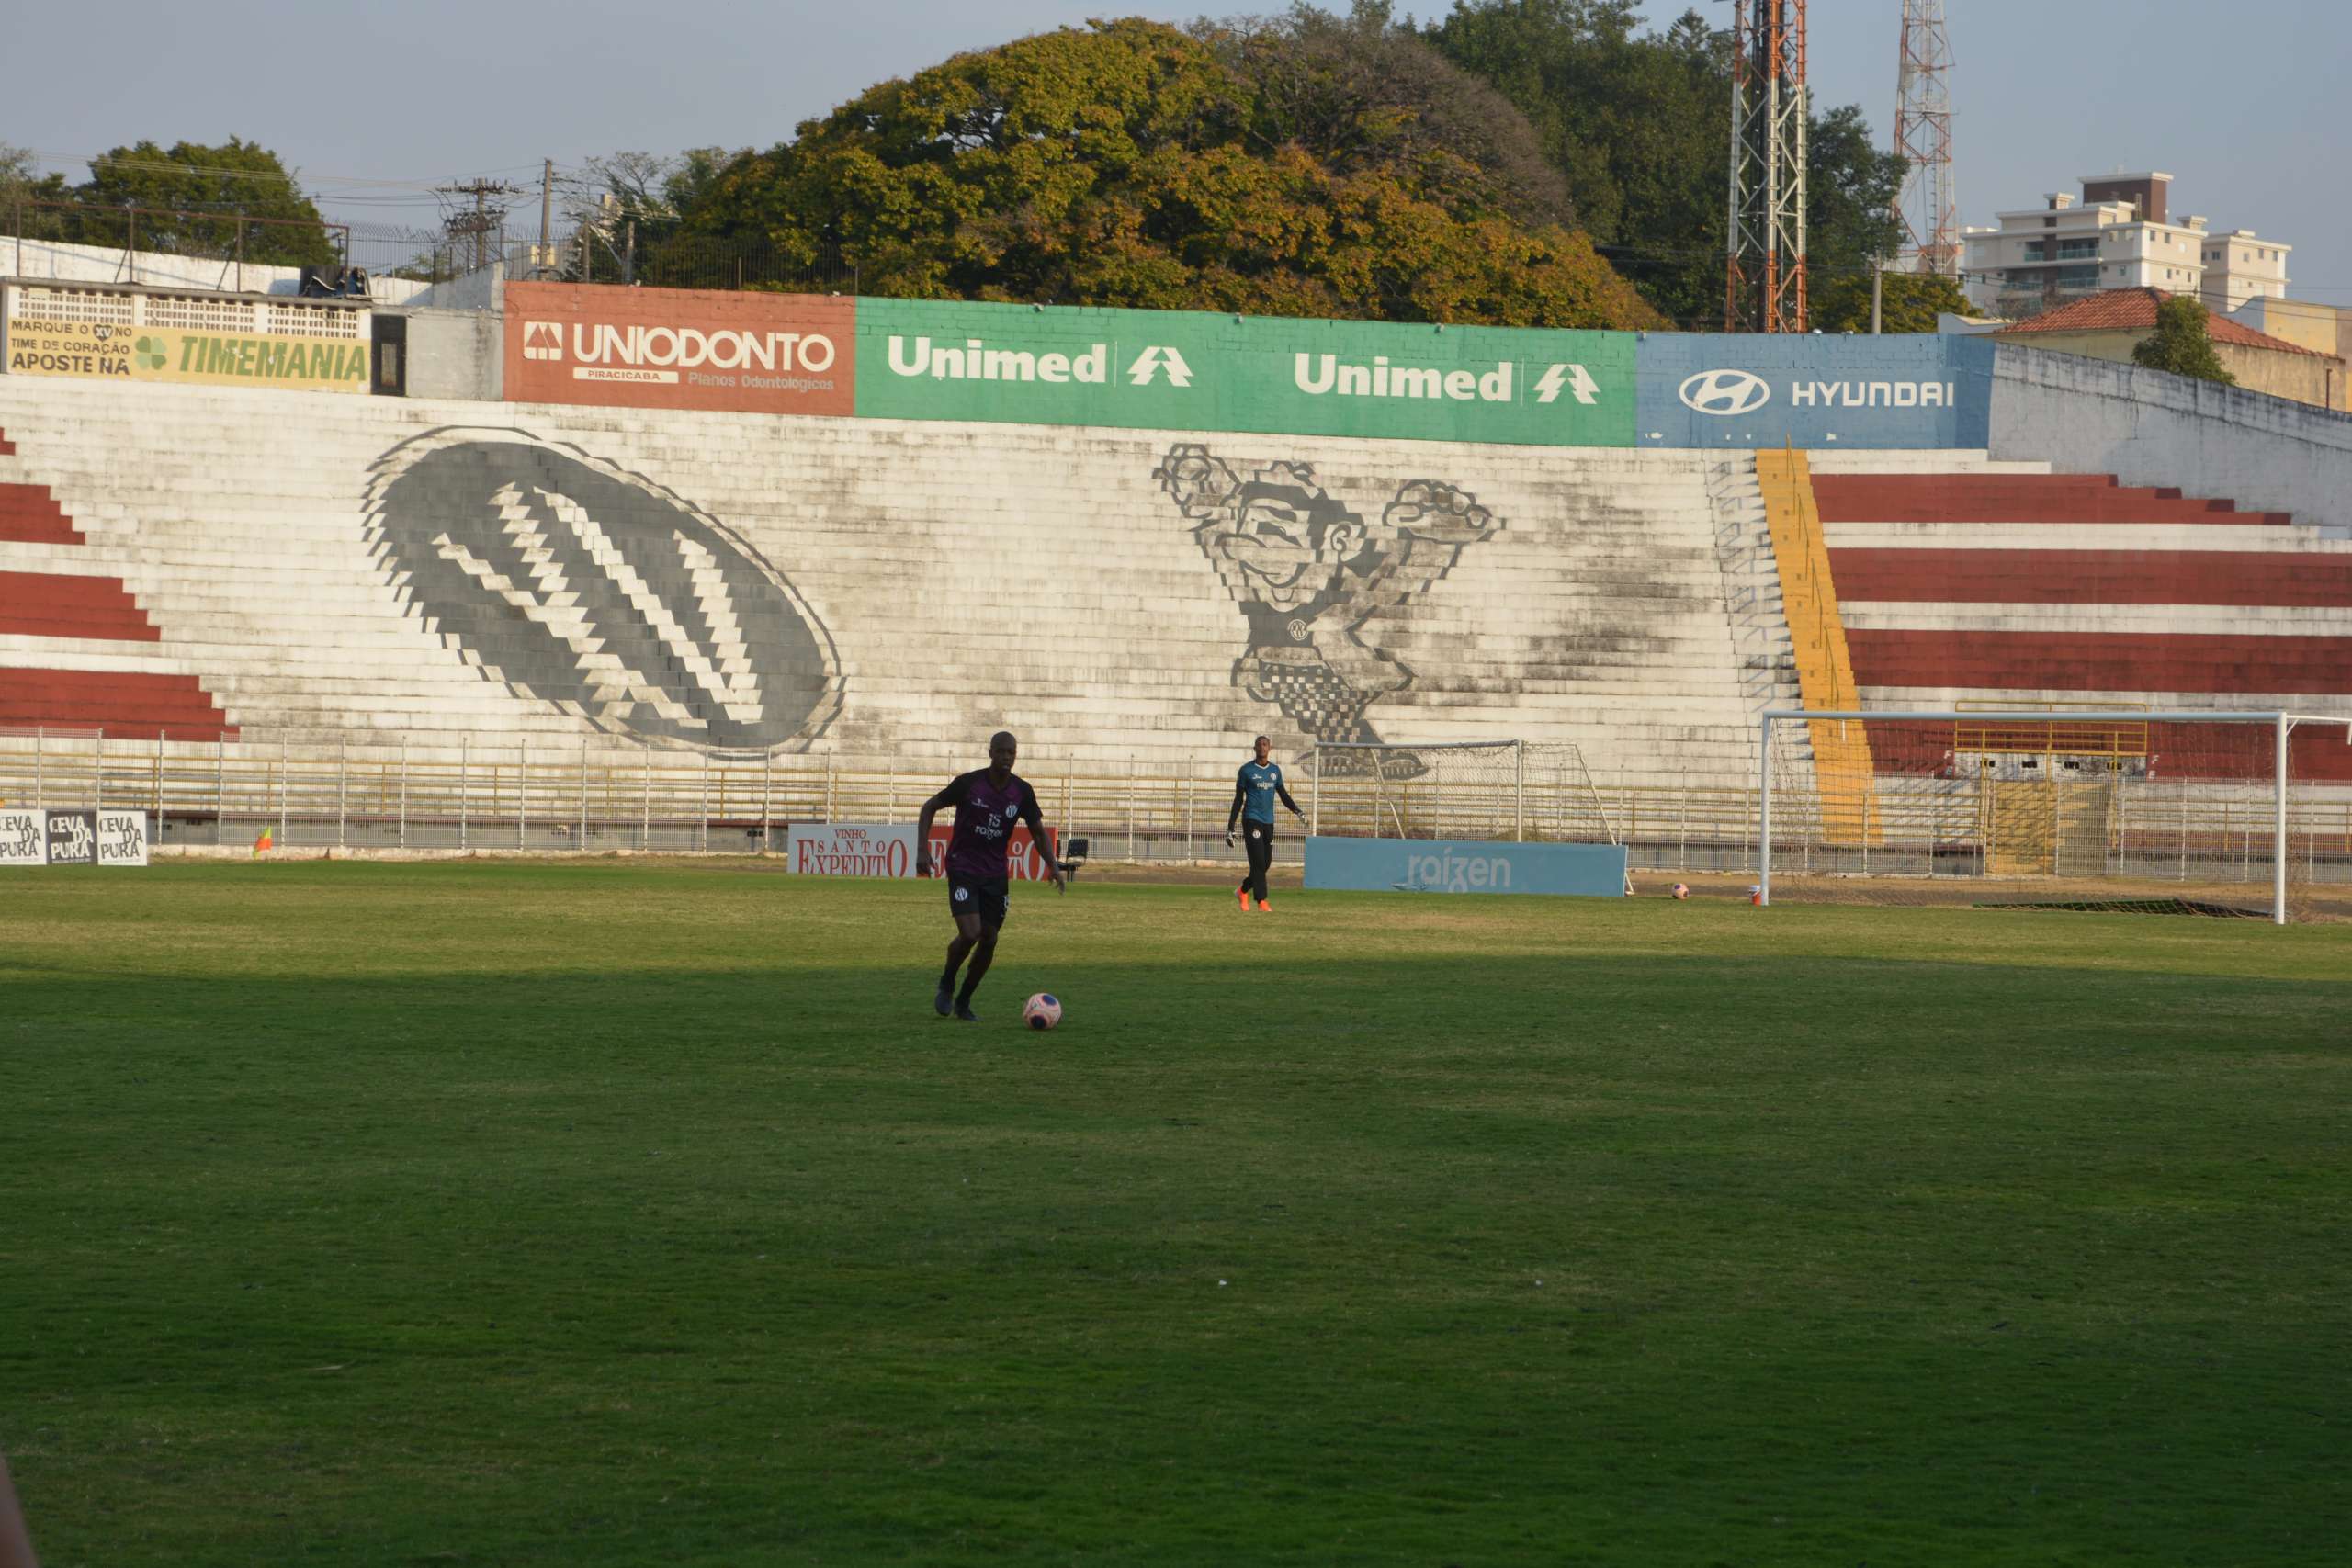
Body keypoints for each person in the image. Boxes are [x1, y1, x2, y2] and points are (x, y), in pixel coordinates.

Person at [916, 731, 1065, 1021]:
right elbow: (929, 807)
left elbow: (1037, 831)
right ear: (991, 752)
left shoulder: (1021, 791)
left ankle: (964, 1001)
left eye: (1012, 752)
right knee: (970, 933)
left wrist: (1053, 865)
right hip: (963, 867)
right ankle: (947, 981)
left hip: (995, 873)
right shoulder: (969, 784)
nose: (1007, 757)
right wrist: (922, 849)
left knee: (990, 938)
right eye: (1002, 752)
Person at [1226, 734, 1304, 911]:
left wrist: (1297, 810)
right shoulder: (1246, 771)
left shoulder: (1275, 771)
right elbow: (1238, 800)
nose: (1262, 747)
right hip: (1251, 819)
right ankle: (1262, 901)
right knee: (1258, 862)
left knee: (1265, 864)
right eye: (1259, 744)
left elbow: (1283, 795)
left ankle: (1242, 890)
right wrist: (1230, 827)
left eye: (1265, 744)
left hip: (1269, 821)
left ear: (1270, 748)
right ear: (1254, 749)